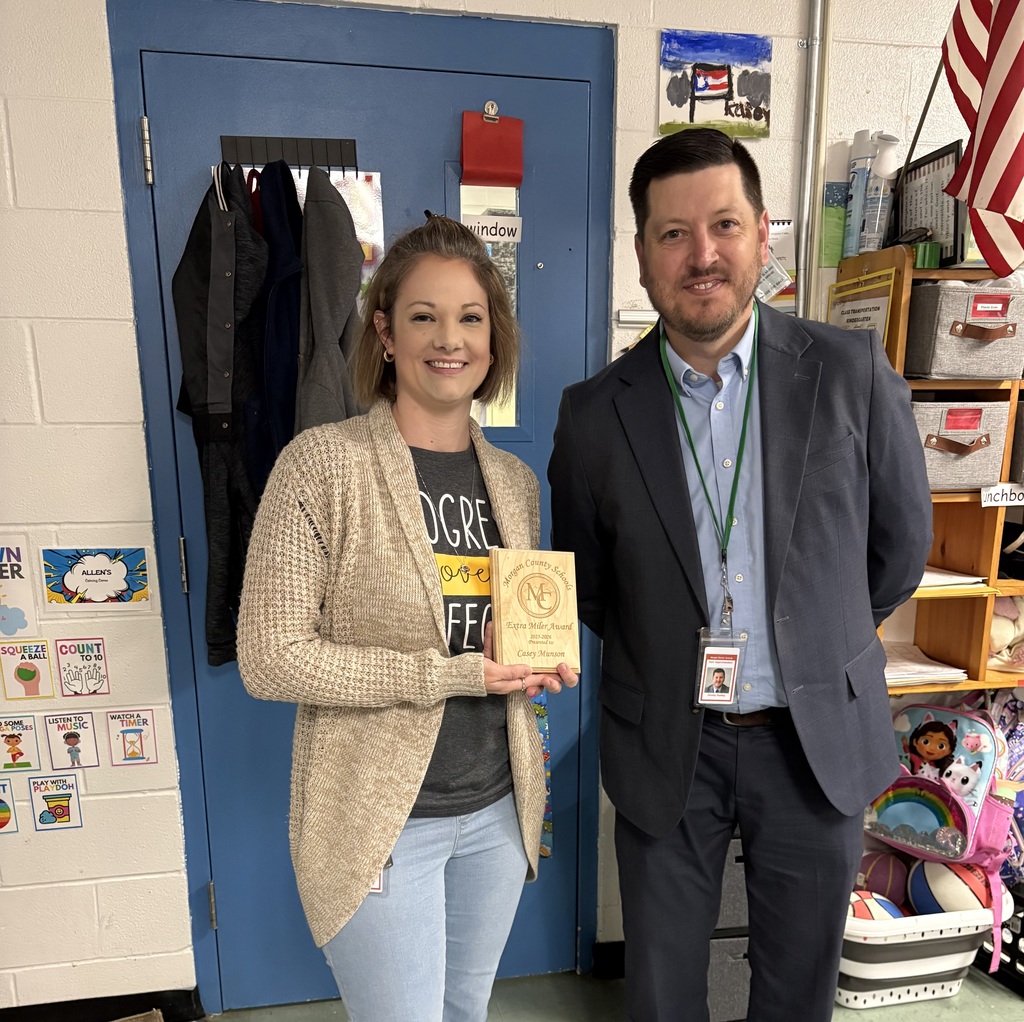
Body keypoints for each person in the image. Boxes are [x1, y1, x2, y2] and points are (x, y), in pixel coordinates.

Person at [548, 128, 931, 1022]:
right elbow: (588, 586)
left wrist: (811, 639)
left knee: (798, 994)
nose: (703, 254)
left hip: (814, 743)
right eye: (672, 233)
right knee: (663, 995)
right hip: (665, 742)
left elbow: (898, 549)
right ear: (642, 255)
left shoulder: (849, 374)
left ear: (764, 235)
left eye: (724, 224)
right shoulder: (594, 414)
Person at [237, 214, 577, 1022]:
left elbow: (505, 633)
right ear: (385, 332)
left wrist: (529, 663)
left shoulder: (516, 482)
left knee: (466, 1011)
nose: (448, 339)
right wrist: (450, 673)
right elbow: (270, 657)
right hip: (385, 821)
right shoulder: (322, 466)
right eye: (423, 316)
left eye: (470, 318)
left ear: (494, 339)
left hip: (498, 810)